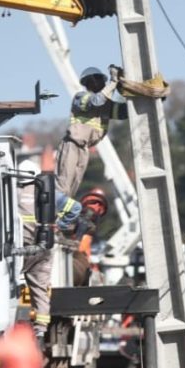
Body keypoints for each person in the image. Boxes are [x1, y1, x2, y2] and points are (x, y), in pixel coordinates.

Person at [18, 160, 82, 335]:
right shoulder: (48, 191)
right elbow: (76, 208)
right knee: (40, 291)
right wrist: (59, 224)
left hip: (17, 250)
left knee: (6, 286)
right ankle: (40, 330)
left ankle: (8, 328)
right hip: (44, 247)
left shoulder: (8, 191)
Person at [55, 65, 122, 198]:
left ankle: (62, 213)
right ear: (89, 82)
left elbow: (124, 112)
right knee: (64, 183)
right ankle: (54, 214)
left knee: (73, 186)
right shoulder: (81, 97)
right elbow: (96, 101)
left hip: (84, 148)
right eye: (98, 79)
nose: (102, 83)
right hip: (72, 145)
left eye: (102, 80)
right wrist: (113, 82)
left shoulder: (106, 105)